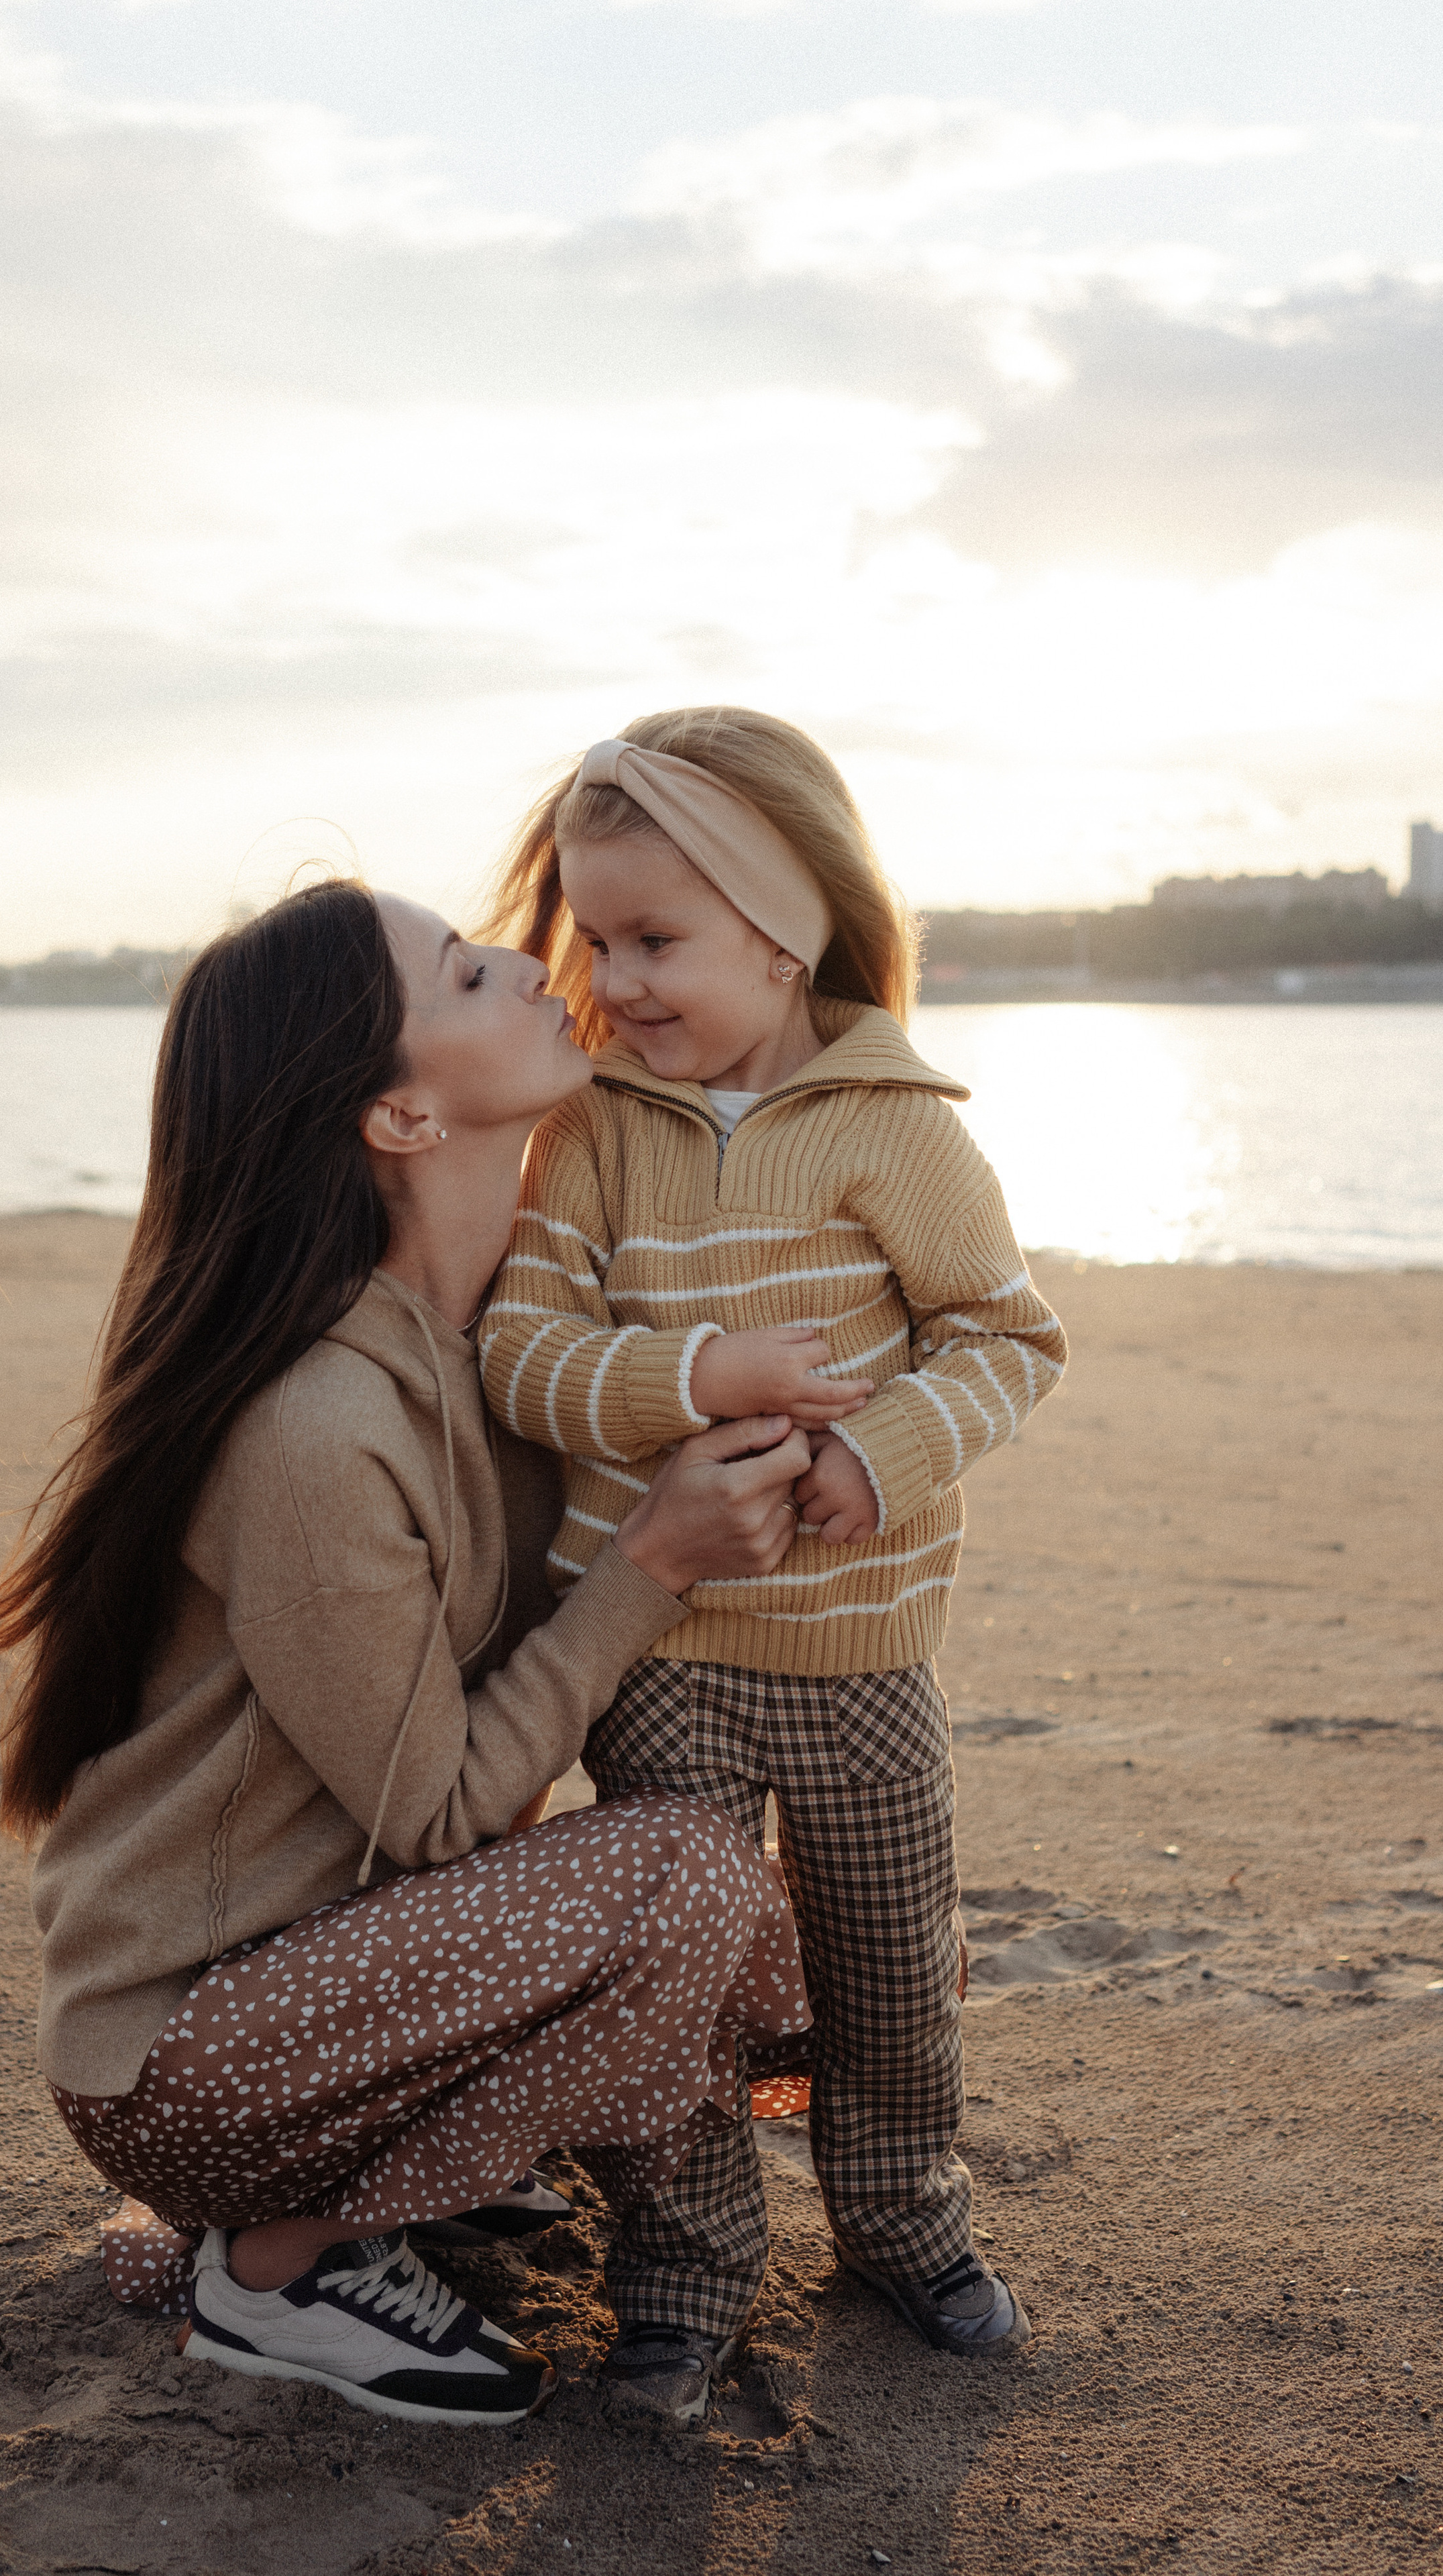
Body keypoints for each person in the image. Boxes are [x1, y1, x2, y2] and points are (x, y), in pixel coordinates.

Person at [0, 877, 814, 2430]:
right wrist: (652, 1563)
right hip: (190, 2055)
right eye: (473, 978)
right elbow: (436, 1811)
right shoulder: (318, 1429)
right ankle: (272, 2263)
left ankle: (405, 2184)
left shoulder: (501, 1353)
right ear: (400, 1118)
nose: (538, 976)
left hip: (337, 1988)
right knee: (689, 1880)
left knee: (835, 1952)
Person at [478, 707, 1068, 2386]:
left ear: (788, 915)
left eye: (656, 939)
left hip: (864, 1655)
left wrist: (878, 1456)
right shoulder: (588, 1131)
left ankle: (899, 2219)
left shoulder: (895, 1124)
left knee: (887, 1966)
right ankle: (684, 2255)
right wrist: (694, 1382)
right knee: (683, 1988)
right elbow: (523, 1356)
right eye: (598, 941)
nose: (621, 980)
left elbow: (1004, 1341)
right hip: (659, 1657)